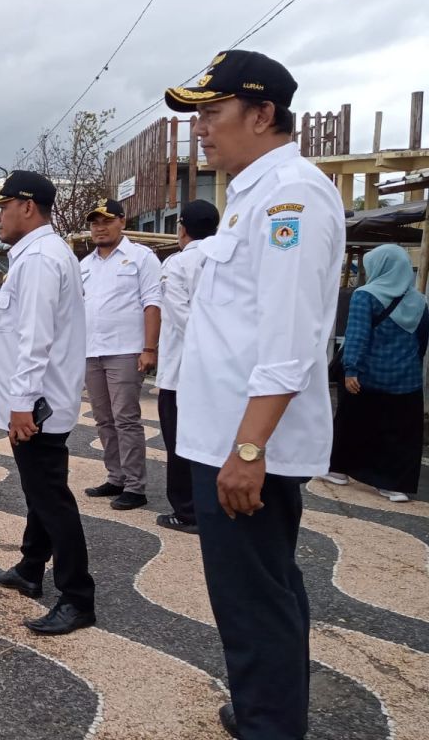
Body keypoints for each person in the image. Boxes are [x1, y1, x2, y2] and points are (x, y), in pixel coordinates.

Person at [165, 49, 346, 739]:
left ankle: (271, 723)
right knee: (267, 591)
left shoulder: (290, 196)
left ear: (263, 113)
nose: (202, 129)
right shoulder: (252, 195)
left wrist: (248, 447)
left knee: (251, 605)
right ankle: (269, 710)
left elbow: (289, 336)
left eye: (213, 112)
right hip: (227, 437)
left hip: (246, 447)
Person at [0, 171, 95, 635]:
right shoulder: (36, 255)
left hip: (38, 404)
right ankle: (31, 569)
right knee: (40, 491)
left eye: (3, 207)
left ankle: (77, 596)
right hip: (40, 400)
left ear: (27, 206)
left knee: (51, 498)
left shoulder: (41, 259)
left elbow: (34, 339)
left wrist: (22, 403)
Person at [326, 244, 428, 502]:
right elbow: (422, 341)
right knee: (399, 432)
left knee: (352, 423)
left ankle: (338, 470)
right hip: (406, 380)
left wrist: (351, 369)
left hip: (367, 376)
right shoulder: (419, 301)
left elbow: (357, 335)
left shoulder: (365, 295)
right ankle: (393, 486)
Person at [79, 198, 163, 510]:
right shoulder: (84, 265)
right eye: (94, 222)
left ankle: (136, 486)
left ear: (122, 222)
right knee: (103, 418)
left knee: (126, 418)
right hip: (91, 351)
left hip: (126, 351)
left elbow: (153, 302)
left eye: (106, 221)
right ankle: (115, 476)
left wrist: (149, 348)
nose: (100, 228)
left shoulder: (141, 257)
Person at [155, 200, 220, 532]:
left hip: (182, 372)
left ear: (181, 229)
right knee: (212, 444)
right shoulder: (230, 258)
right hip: (222, 371)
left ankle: (187, 511)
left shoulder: (178, 264)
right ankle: (213, 506)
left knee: (179, 445)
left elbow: (181, 317)